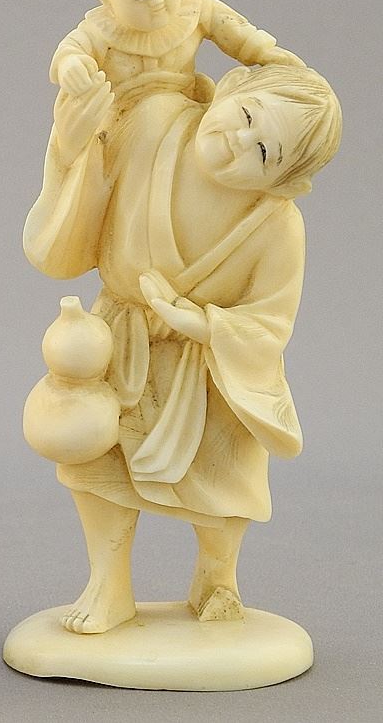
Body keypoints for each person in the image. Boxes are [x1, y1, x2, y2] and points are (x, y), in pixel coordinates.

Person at [23, 63, 341, 634]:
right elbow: (87, 199)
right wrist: (71, 149)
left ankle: (217, 577)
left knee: (225, 473)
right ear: (230, 87)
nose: (237, 139)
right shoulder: (154, 121)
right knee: (101, 463)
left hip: (211, 361)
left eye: (263, 152)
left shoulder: (276, 225)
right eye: (246, 115)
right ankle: (109, 581)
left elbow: (271, 321)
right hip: (122, 339)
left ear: (283, 184)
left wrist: (204, 324)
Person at [51, 0, 303, 110]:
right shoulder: (101, 30)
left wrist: (265, 52)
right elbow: (72, 49)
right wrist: (70, 65)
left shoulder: (195, 9)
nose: (157, 2)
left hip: (188, 104)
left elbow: (234, 30)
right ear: (109, 1)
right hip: (127, 120)